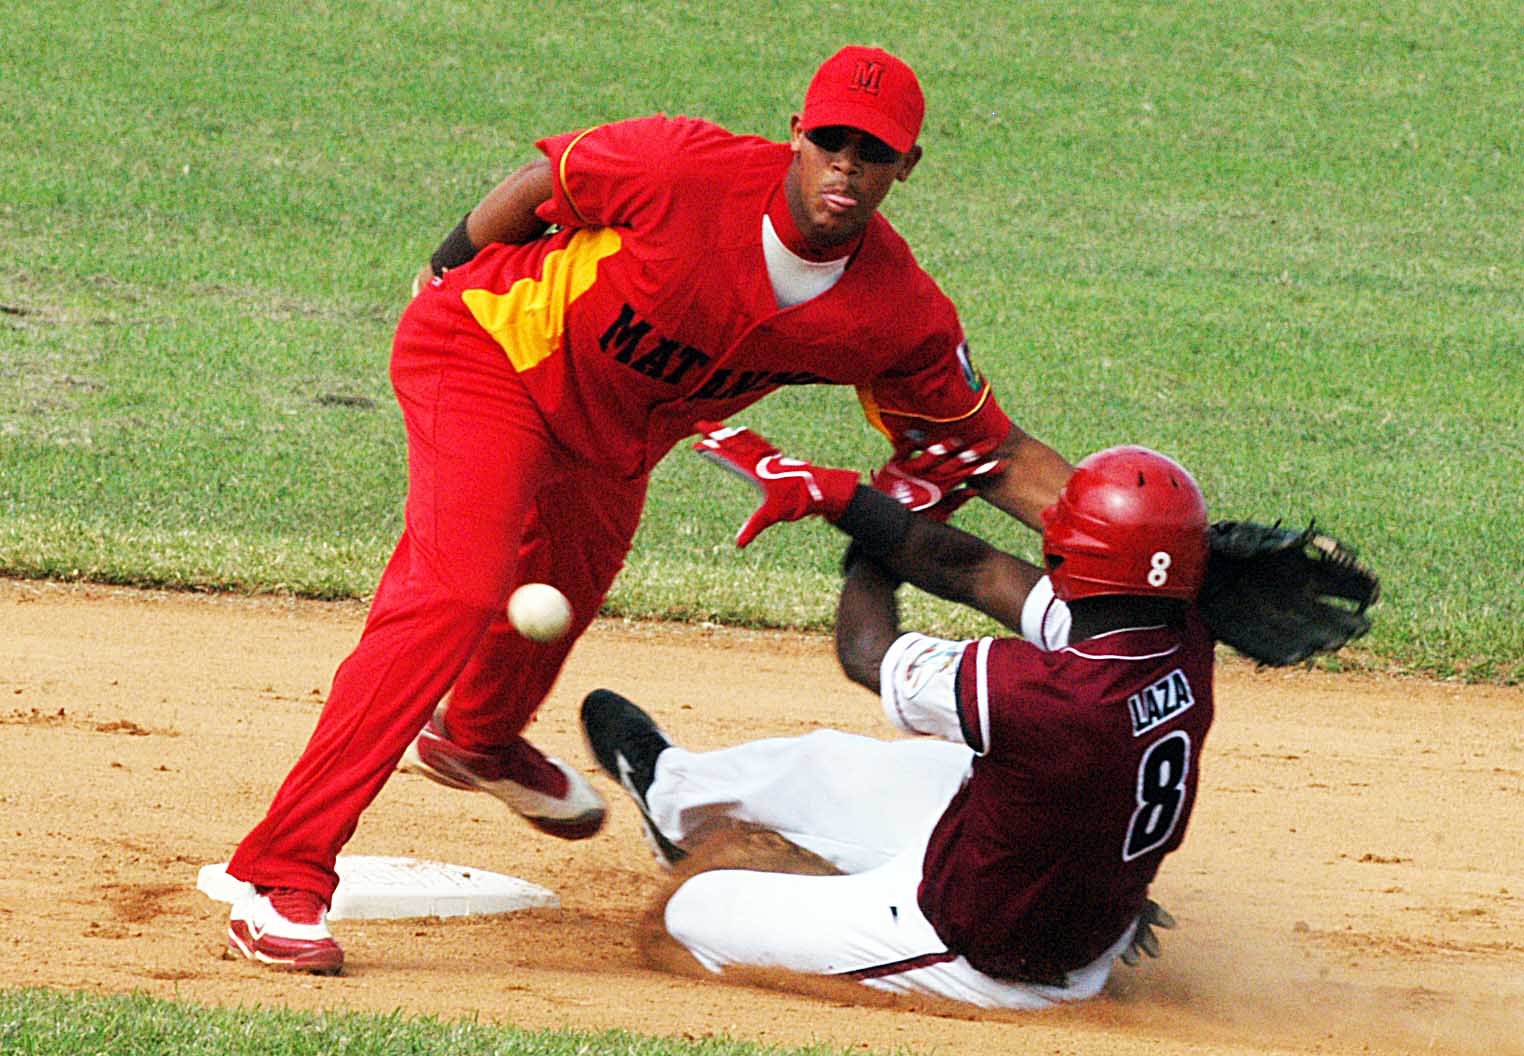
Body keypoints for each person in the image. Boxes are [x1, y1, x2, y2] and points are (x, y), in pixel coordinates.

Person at [223, 46, 1075, 972]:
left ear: (906, 166)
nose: (846, 165)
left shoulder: (893, 311)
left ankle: (475, 741)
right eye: (830, 140)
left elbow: (988, 450)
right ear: (797, 132)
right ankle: (281, 873)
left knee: (567, 593)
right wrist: (443, 268)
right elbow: (552, 178)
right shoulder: (682, 169)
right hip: (491, 354)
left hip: (613, 432)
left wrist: (1142, 546)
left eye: (872, 151)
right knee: (456, 594)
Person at [581, 433, 1214, 1009]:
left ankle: (820, 890)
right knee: (833, 761)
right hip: (1051, 871)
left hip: (982, 952)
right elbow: (975, 570)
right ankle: (673, 793)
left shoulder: (1041, 695)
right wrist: (842, 497)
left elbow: (866, 652)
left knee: (688, 915)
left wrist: (868, 548)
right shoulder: (1179, 640)